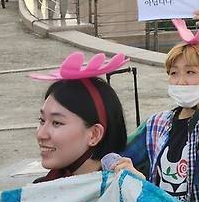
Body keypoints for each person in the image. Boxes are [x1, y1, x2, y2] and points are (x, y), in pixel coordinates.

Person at [116, 0, 199, 202]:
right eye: (174, 73)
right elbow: (117, 154)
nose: (181, 80)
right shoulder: (156, 124)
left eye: (191, 72)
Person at [32, 53, 129, 183]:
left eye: (56, 123)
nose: (41, 134)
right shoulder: (40, 190)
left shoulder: (123, 194)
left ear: (94, 134)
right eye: (42, 120)